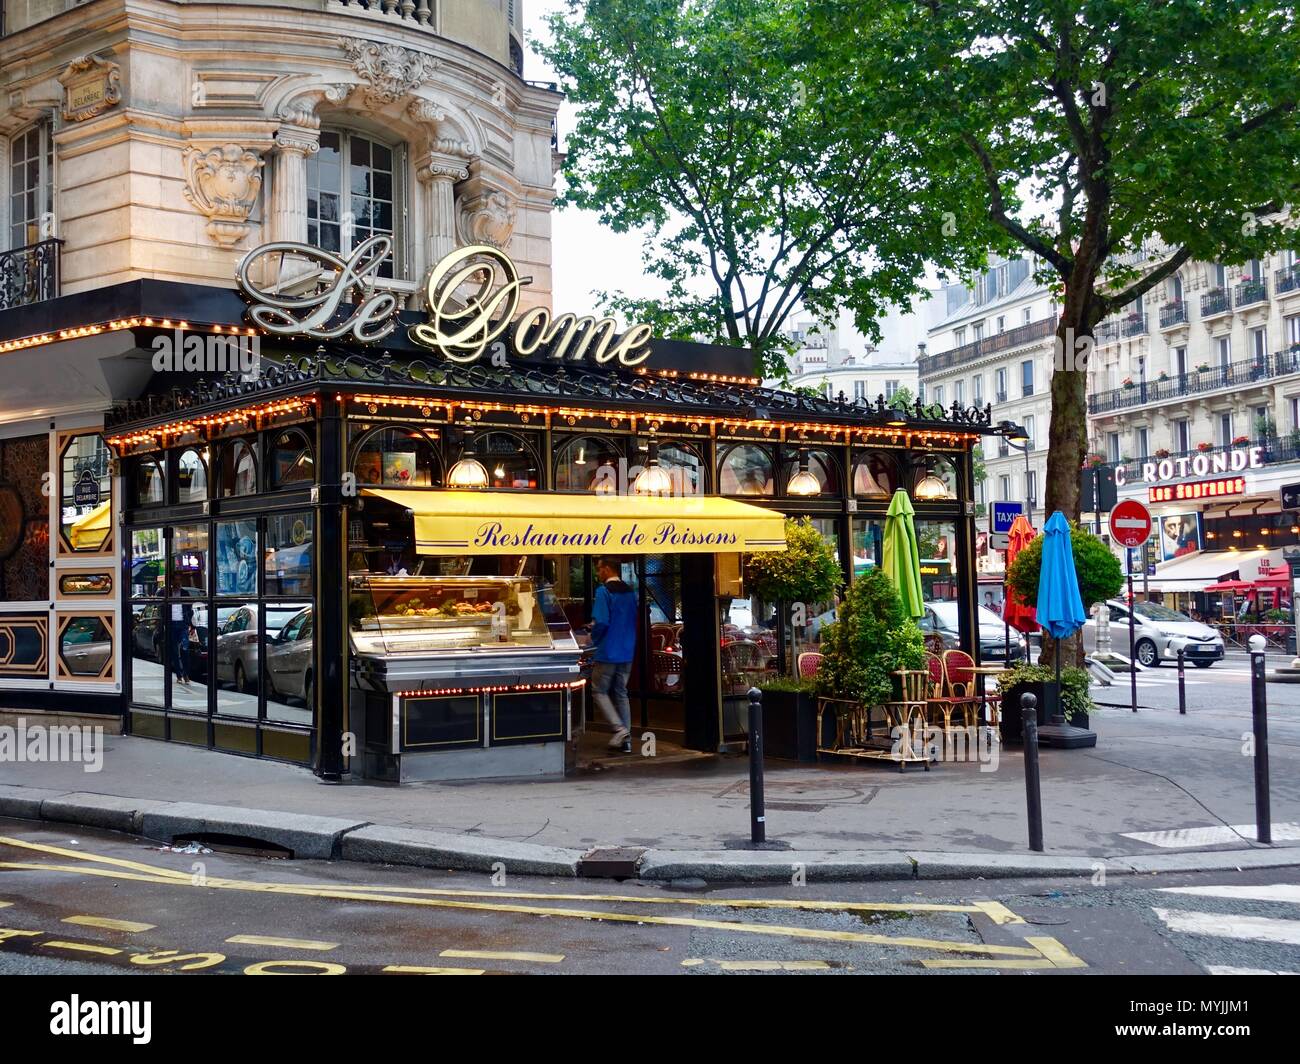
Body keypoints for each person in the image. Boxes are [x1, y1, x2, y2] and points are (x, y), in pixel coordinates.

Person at [589, 557, 637, 751]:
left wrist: (592, 637)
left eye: (600, 569)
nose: (598, 573)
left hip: (608, 650)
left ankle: (619, 729)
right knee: (621, 693)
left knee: (598, 691)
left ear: (608, 569)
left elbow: (601, 621)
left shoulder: (603, 591)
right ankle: (626, 741)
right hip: (627, 650)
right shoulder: (630, 592)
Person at [168, 575, 194, 687]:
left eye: (179, 580)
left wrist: (189, 623)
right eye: (175, 580)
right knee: (174, 651)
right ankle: (178, 675)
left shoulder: (185, 593)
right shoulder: (167, 593)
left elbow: (190, 609)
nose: (177, 582)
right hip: (172, 625)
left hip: (183, 624)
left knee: (185, 649)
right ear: (172, 581)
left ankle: (186, 674)